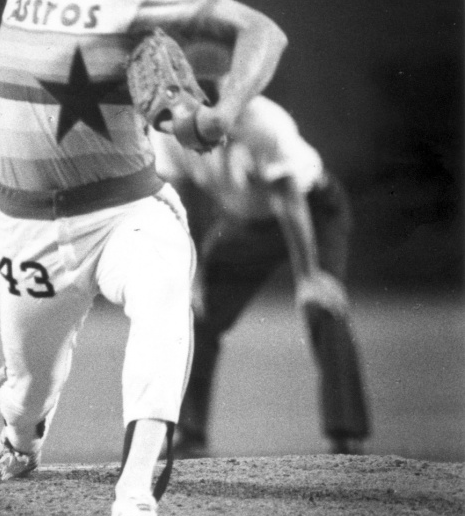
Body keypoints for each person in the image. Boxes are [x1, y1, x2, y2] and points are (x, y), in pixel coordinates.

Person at [0, 0, 288, 516]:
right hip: (25, 231)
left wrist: (222, 108)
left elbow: (261, 32)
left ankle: (137, 492)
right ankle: (22, 442)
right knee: (23, 398)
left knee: (164, 296)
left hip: (125, 207)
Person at [150, 95, 371, 459]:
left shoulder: (264, 122)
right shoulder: (167, 128)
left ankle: (348, 438)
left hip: (312, 210)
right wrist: (193, 276)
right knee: (195, 312)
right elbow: (182, 204)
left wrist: (309, 275)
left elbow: (288, 199)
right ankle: (189, 435)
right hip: (249, 220)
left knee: (322, 304)